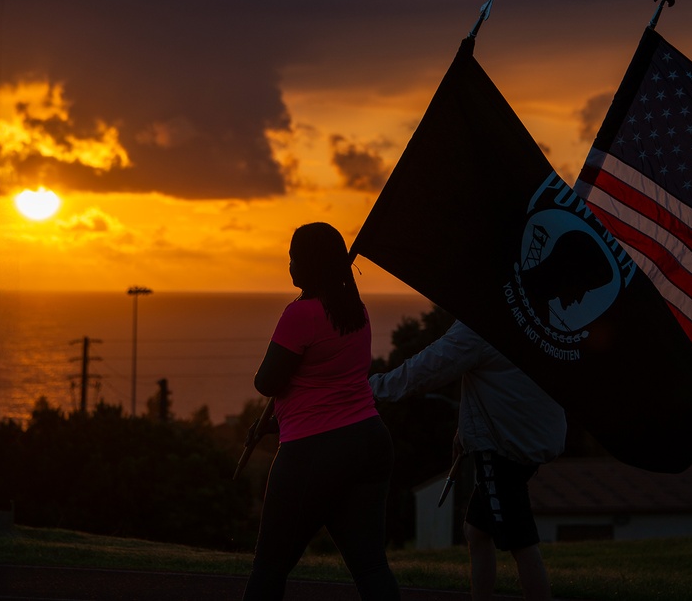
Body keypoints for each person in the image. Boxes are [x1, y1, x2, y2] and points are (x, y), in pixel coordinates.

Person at [242, 222, 400, 601]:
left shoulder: (301, 315)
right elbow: (331, 386)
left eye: (294, 257)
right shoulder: (356, 313)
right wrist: (279, 420)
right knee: (371, 566)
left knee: (269, 568)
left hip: (314, 452)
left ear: (309, 264)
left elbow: (267, 382)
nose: (290, 265)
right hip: (369, 442)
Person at [370, 321, 566, 601]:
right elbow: (502, 382)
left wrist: (370, 389)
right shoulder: (526, 316)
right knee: (476, 531)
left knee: (521, 542)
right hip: (532, 437)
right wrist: (467, 428)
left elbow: (424, 370)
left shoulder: (480, 327)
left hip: (504, 446)